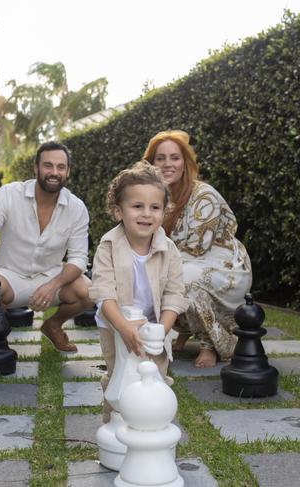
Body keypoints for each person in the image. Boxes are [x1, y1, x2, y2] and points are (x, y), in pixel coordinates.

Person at [0, 141, 93, 353]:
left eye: (60, 167)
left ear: (67, 171)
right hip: (9, 276)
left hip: (50, 277)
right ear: (36, 168)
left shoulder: (76, 207)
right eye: (48, 165)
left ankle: (53, 326)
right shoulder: (9, 194)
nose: (54, 172)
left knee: (90, 291)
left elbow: (79, 259)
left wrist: (53, 285)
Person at [143, 130, 252, 368]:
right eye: (160, 158)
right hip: (180, 260)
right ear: (151, 163)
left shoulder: (204, 196)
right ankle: (185, 331)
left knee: (182, 280)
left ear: (185, 163)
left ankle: (211, 344)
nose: (167, 164)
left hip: (223, 266)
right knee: (149, 275)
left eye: (175, 157)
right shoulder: (153, 195)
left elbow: (196, 248)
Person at [89, 161, 188, 422]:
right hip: (114, 324)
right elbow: (104, 294)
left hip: (154, 324)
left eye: (155, 207)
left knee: (156, 375)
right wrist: (123, 328)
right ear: (118, 210)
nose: (146, 214)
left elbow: (174, 296)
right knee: (120, 375)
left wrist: (161, 331)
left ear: (164, 212)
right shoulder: (108, 246)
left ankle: (156, 423)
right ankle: (115, 426)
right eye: (137, 206)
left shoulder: (169, 249)